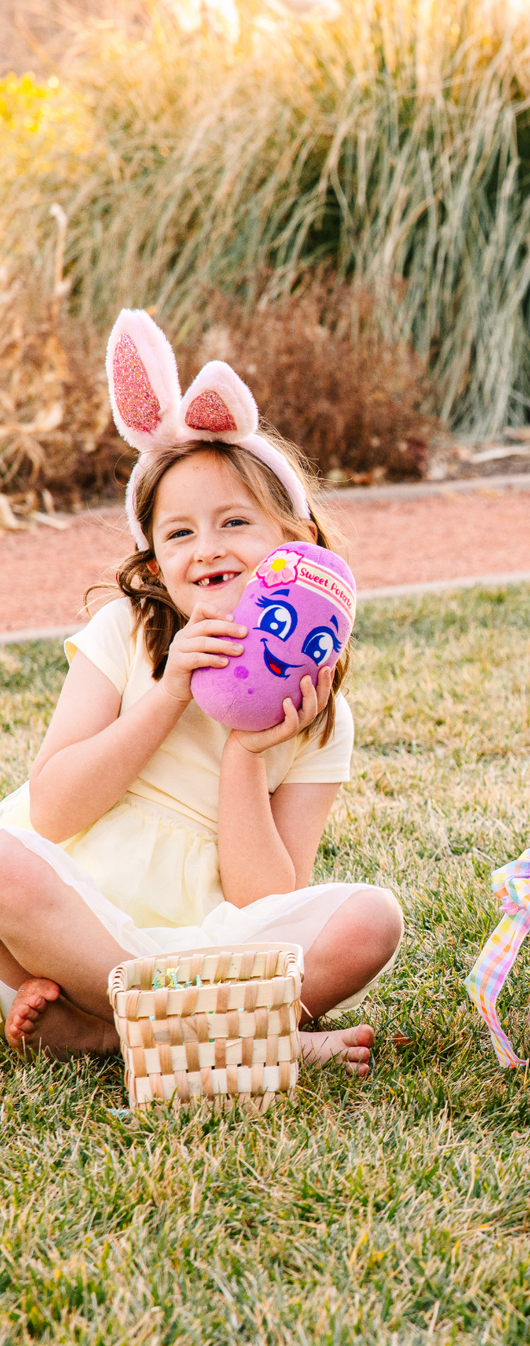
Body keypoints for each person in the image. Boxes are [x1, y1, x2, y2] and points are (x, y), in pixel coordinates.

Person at [0, 310, 402, 1074]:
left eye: (234, 521)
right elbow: (51, 809)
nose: (207, 546)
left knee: (371, 921)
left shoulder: (318, 715)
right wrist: (169, 694)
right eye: (179, 533)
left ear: (297, 543)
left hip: (203, 940)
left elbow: (264, 902)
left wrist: (248, 754)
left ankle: (113, 1027)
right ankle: (206, 1033)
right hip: (68, 916)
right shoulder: (123, 632)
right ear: (153, 565)